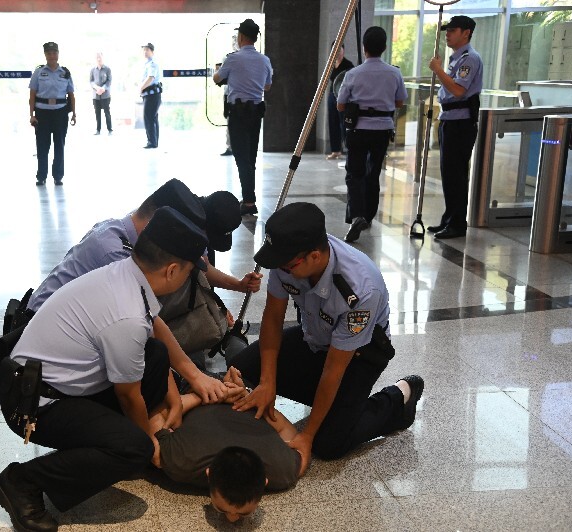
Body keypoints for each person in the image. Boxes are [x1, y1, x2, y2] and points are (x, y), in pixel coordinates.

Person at [0, 206, 208, 530]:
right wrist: (146, 445)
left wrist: (173, 398)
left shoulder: (125, 272)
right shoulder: (127, 313)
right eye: (190, 271)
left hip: (52, 381)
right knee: (135, 447)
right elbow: (129, 396)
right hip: (32, 404)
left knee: (155, 354)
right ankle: (21, 481)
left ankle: (109, 447)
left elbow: (145, 354)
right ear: (172, 270)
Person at [23, 178, 260, 401]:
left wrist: (236, 287)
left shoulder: (129, 234)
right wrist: (192, 381)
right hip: (43, 343)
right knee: (148, 369)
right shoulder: (115, 253)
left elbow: (200, 269)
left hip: (71, 326)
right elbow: (146, 321)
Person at [229, 202, 424, 469]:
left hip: (360, 355)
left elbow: (333, 369)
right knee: (240, 370)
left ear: (315, 257)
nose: (280, 270)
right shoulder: (288, 258)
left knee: (328, 444)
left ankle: (397, 398)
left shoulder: (360, 290)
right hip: (315, 338)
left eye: (287, 266)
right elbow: (273, 320)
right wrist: (267, 384)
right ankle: (340, 407)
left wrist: (306, 436)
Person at [152, 368, 304, 524]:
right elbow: (156, 413)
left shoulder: (282, 468)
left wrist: (237, 396)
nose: (232, 519)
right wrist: (215, 393)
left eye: (245, 513)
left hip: (226, 393)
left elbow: (157, 416)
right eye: (222, 509)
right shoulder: (181, 460)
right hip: (197, 386)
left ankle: (232, 346)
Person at [337, 27, 406, 243]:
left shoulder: (353, 74)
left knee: (354, 173)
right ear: (384, 47)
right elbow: (399, 102)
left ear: (364, 48)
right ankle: (367, 217)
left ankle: (356, 214)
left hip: (358, 129)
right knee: (373, 173)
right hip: (382, 130)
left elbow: (340, 105)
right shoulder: (394, 73)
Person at [428, 16, 483, 240]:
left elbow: (459, 91)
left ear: (466, 33)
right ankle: (449, 217)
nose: (448, 34)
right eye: (447, 30)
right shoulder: (456, 59)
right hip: (449, 119)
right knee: (449, 174)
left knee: (456, 175)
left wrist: (438, 71)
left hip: (461, 122)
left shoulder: (470, 59)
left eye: (452, 30)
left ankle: (457, 223)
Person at [213, 19, 273, 217]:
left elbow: (218, 78)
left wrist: (219, 71)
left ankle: (248, 201)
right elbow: (267, 86)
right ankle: (248, 198)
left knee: (241, 158)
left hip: (237, 114)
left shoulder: (233, 59)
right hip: (256, 113)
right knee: (251, 157)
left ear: (241, 37)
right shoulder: (265, 60)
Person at [29, 42, 77, 186]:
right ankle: (41, 176)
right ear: (45, 55)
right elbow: (32, 94)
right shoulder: (38, 72)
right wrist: (31, 114)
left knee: (59, 145)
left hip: (60, 113)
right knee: (42, 146)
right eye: (49, 53)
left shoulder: (65, 73)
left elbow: (71, 95)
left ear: (58, 54)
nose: (52, 56)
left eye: (54, 53)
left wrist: (74, 113)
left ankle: (58, 176)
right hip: (42, 113)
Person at [325, 41, 354, 160]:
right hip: (332, 95)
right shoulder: (331, 64)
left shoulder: (348, 64)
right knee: (332, 122)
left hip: (343, 97)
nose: (337, 53)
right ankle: (335, 150)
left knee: (343, 123)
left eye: (339, 50)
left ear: (343, 50)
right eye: (335, 50)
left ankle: (347, 149)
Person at [139, 42, 161, 149]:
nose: (145, 52)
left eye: (147, 50)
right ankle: (154, 141)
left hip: (152, 95)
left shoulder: (152, 63)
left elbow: (150, 78)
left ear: (152, 51)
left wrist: (140, 88)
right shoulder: (147, 64)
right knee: (152, 118)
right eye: (144, 50)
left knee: (148, 117)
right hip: (150, 95)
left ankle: (152, 142)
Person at [90, 52, 113, 135]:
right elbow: (91, 81)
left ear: (103, 57)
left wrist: (103, 88)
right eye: (97, 57)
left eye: (100, 57)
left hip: (105, 95)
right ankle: (98, 130)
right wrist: (96, 88)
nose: (99, 59)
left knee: (107, 112)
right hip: (96, 95)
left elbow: (109, 80)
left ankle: (110, 130)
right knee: (97, 113)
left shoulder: (107, 69)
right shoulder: (93, 70)